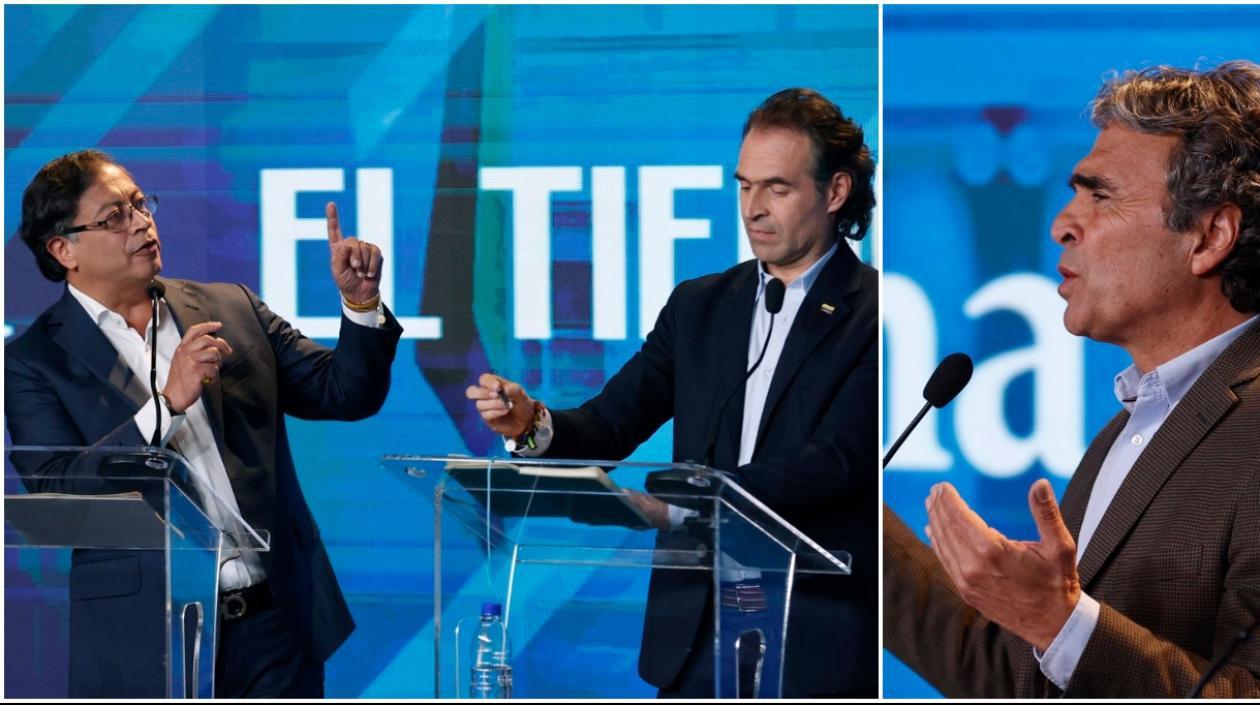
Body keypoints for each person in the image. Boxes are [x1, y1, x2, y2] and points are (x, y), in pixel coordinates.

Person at [466, 88, 878, 697]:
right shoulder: (701, 306)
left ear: (835, 192)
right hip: (692, 643)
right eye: (744, 186)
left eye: (777, 188)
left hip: (812, 641)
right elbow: (609, 425)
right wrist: (533, 424)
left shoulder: (877, 312)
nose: (753, 209)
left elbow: (835, 462)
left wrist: (689, 507)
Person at [884, 61, 1260, 697]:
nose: (1062, 223)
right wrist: (845, 524)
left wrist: (1062, 621)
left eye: (1101, 195)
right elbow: (1024, 682)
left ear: (1208, 235)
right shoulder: (1134, 425)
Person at [5, 149, 403, 697]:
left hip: (276, 624)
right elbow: (56, 488)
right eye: (114, 217)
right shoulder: (33, 360)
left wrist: (360, 306)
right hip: (145, 638)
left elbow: (345, 393)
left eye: (141, 205)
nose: (142, 223)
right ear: (63, 249)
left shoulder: (229, 306)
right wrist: (167, 406)